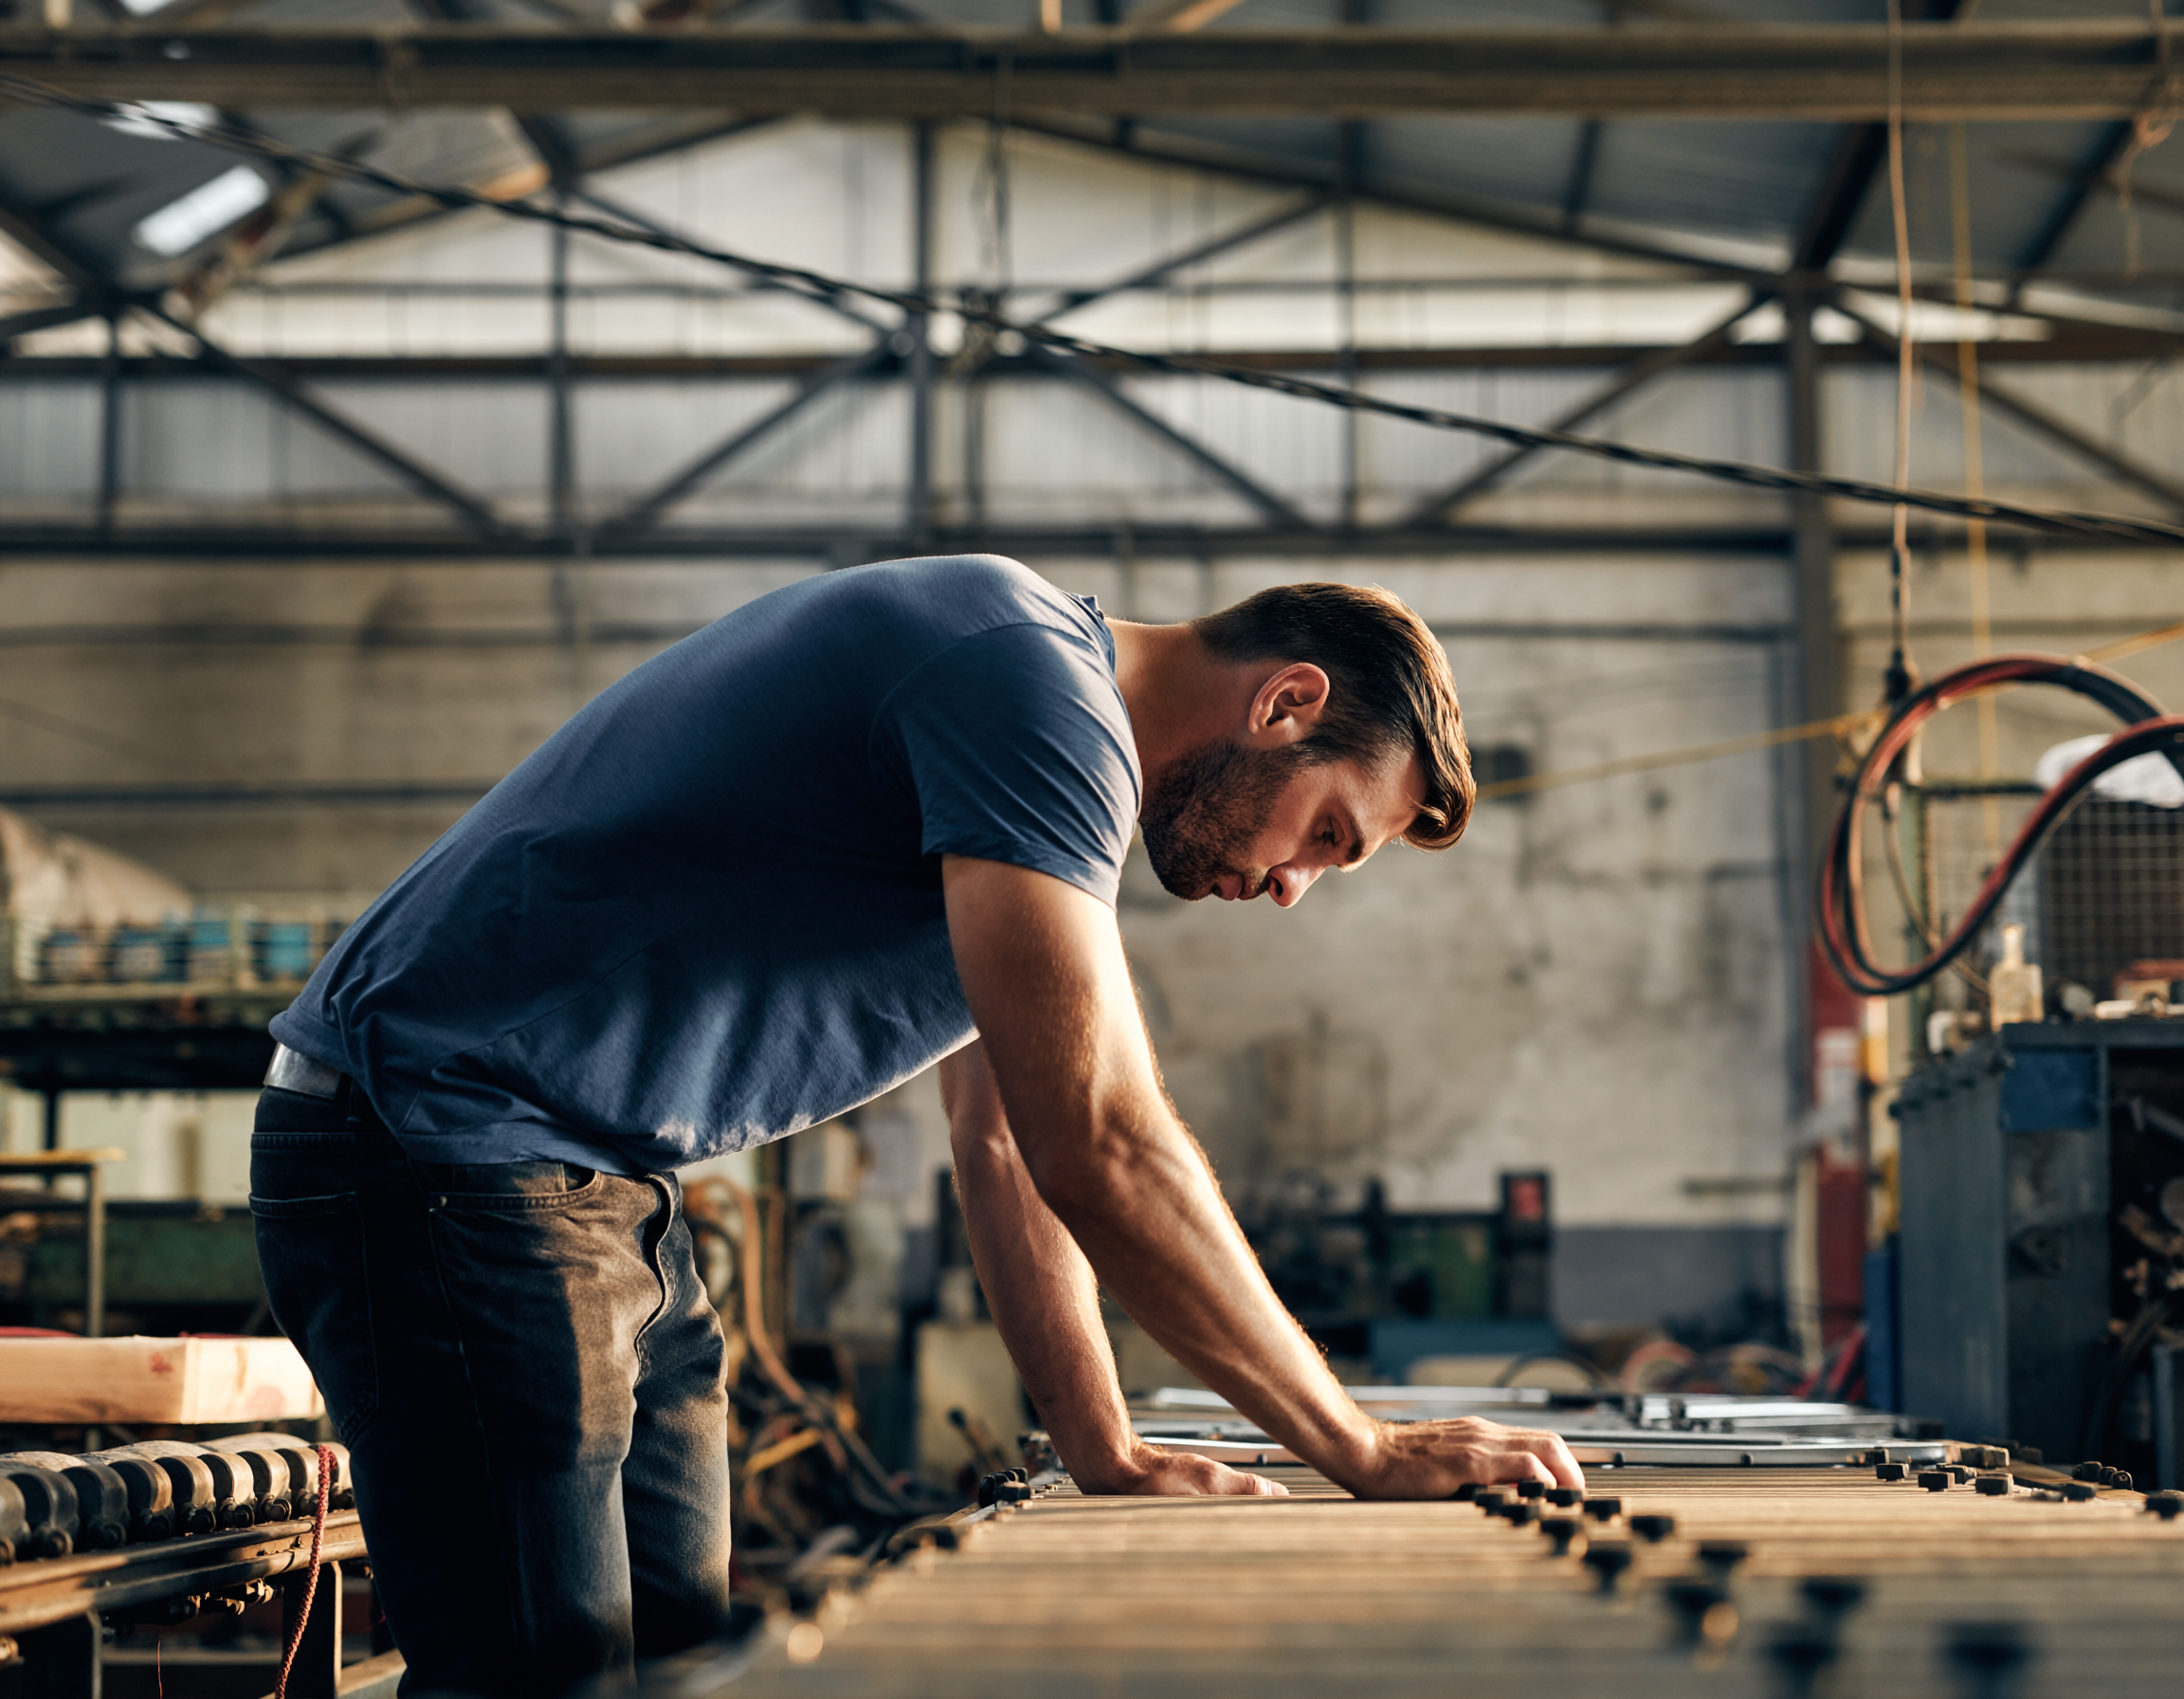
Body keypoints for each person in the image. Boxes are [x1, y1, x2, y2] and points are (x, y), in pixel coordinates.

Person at [251, 554, 1583, 1697]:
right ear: (1288, 702)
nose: (1292, 889)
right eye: (1328, 837)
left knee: (665, 1658)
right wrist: (1356, 1446)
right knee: (541, 1674)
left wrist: (1100, 1444)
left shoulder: (1047, 785)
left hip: (596, 1189)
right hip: (439, 1149)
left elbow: (1007, 1143)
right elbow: (1102, 1143)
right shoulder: (1025, 688)